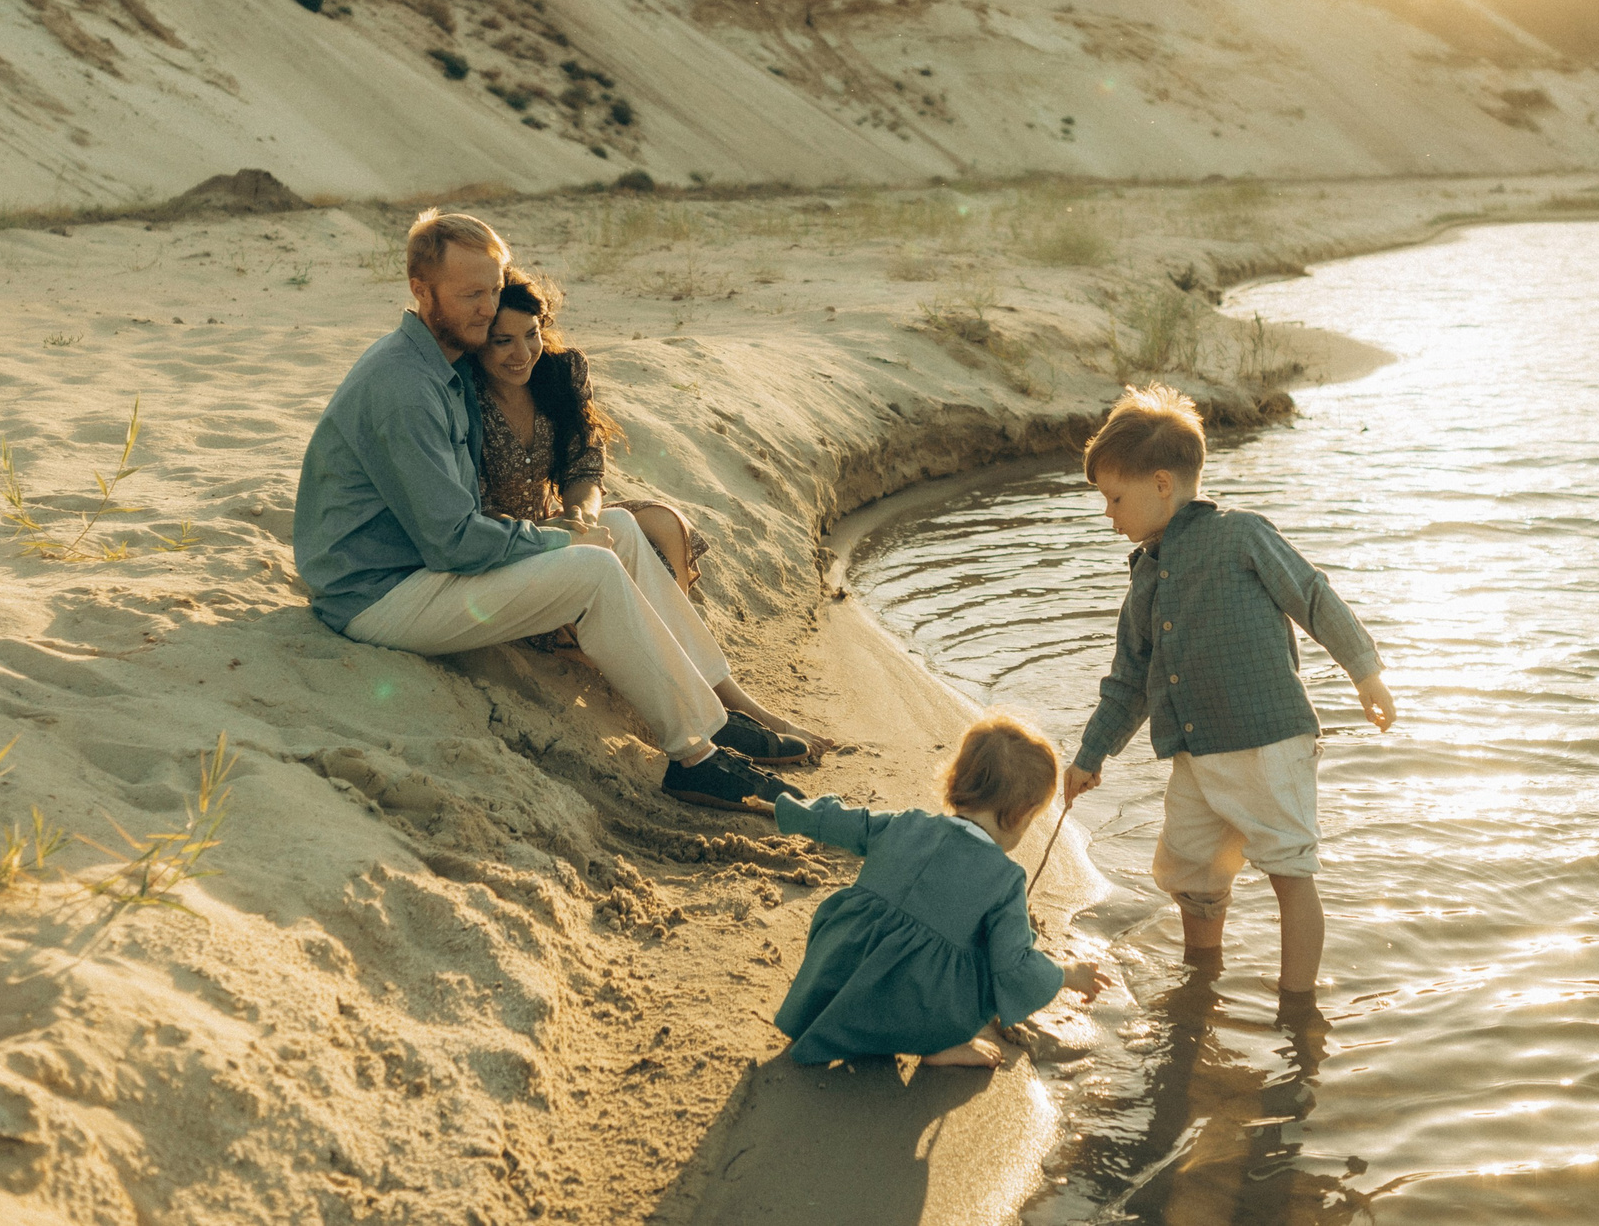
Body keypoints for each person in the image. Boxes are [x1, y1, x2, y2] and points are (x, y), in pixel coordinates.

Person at [292, 208, 803, 812]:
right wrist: (560, 543)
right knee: (591, 568)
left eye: (493, 288)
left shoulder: (444, 367)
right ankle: (696, 757)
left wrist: (573, 528)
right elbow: (452, 542)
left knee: (615, 527)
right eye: (470, 294)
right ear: (420, 291)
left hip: (422, 569)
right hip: (377, 594)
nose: (487, 307)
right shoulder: (403, 385)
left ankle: (708, 708)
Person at [1061, 385, 1397, 1030]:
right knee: (1190, 871)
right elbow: (1128, 679)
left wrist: (1366, 673)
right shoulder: (1143, 575)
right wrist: (1090, 754)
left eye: (1113, 498)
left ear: (1161, 484)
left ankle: (1298, 1008)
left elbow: (1314, 596)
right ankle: (1201, 975)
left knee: (1288, 869)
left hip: (1269, 743)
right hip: (1195, 753)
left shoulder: (1241, 534)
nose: (1108, 514)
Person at [474, 269, 831, 755]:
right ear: (477, 340)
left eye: (531, 334)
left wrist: (579, 516)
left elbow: (585, 466)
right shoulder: (462, 399)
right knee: (614, 541)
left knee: (630, 522)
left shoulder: (558, 373)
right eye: (502, 341)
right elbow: (468, 516)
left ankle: (726, 701)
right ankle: (706, 716)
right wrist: (556, 534)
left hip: (559, 527)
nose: (522, 354)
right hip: (505, 549)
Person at [769, 715, 1109, 1068]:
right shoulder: (1005, 879)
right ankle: (939, 1043)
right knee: (992, 950)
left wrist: (789, 809)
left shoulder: (904, 822)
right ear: (1022, 814)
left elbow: (843, 821)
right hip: (911, 1007)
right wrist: (1069, 974)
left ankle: (834, 1015)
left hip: (838, 975)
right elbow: (1014, 968)